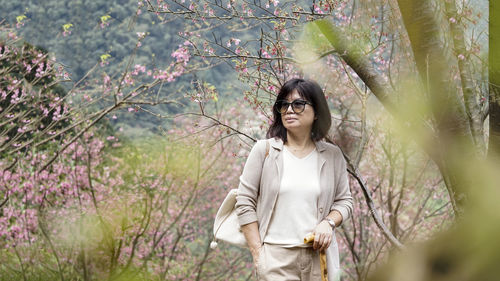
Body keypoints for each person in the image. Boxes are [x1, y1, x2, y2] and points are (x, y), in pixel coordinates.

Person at [235, 78, 353, 281]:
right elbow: (245, 202)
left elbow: (345, 201)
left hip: (318, 256)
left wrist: (328, 223)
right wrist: (258, 255)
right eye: (284, 105)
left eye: (298, 104)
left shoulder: (332, 155)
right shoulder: (264, 151)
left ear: (317, 112)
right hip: (275, 258)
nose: (289, 110)